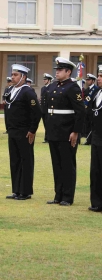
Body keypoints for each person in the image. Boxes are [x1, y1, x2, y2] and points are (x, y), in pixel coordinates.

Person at [45, 57, 85, 206]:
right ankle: (58, 195)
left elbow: (80, 112)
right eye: (57, 70)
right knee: (56, 164)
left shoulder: (72, 87)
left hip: (67, 133)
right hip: (54, 132)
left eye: (60, 70)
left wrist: (75, 132)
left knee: (67, 165)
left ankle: (67, 197)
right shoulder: (54, 86)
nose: (57, 72)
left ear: (68, 72)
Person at [5, 65, 42, 200]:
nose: (12, 77)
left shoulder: (28, 92)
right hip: (13, 131)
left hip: (24, 131)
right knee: (14, 161)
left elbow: (36, 112)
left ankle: (25, 191)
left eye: (15, 75)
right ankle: (16, 190)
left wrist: (32, 130)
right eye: (12, 74)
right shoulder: (11, 90)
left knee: (25, 161)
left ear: (23, 77)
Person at [88, 65, 102, 212]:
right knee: (96, 171)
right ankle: (97, 203)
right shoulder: (97, 93)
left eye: (101, 76)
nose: (98, 78)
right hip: (97, 137)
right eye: (98, 75)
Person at [82, 73, 98, 145]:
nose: (87, 81)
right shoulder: (86, 90)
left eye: (89, 80)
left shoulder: (96, 89)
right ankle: (88, 140)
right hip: (86, 111)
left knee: (93, 126)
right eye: (87, 80)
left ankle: (92, 140)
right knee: (87, 125)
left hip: (93, 111)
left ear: (93, 81)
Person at [40, 73, 53, 143]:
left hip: (49, 109)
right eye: (44, 79)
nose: (44, 81)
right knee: (45, 124)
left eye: (45, 79)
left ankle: (49, 138)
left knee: (49, 124)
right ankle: (46, 138)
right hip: (43, 109)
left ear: (49, 80)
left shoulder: (52, 87)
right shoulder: (43, 88)